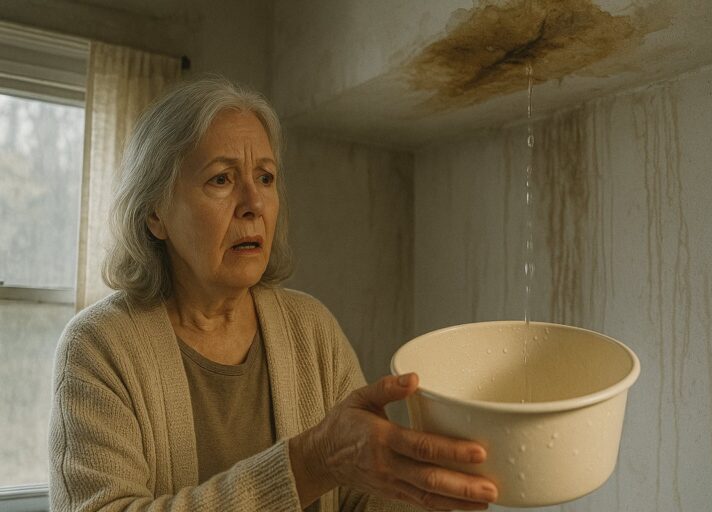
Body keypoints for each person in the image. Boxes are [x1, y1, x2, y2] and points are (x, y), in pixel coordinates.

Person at [48, 77, 498, 511]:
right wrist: (311, 462)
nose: (254, 204)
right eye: (221, 179)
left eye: (265, 178)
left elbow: (362, 498)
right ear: (155, 214)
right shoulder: (98, 347)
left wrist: (434, 484)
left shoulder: (311, 328)